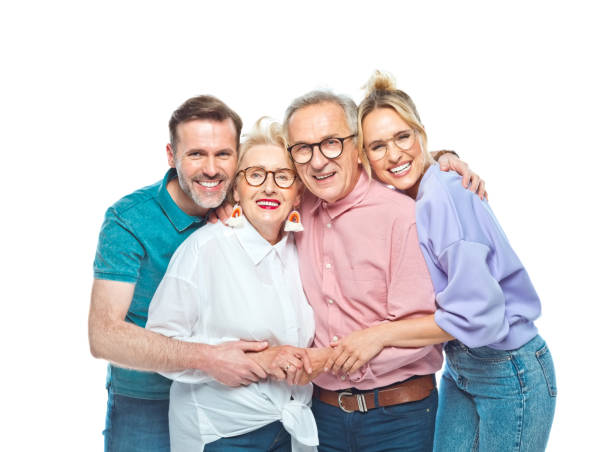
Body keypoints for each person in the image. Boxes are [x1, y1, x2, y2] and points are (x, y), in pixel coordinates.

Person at [358, 71, 556, 451]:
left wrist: (380, 335)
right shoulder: (413, 197)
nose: (395, 154)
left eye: (403, 137)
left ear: (420, 134)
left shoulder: (443, 194)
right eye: (378, 146)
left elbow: (478, 317)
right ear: (365, 157)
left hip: (508, 367)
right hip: (462, 366)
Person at [282, 91, 483, 451]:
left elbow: (429, 325)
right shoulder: (297, 208)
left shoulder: (402, 215)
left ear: (356, 146)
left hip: (400, 417)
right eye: (303, 148)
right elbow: (249, 176)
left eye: (331, 143)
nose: (317, 161)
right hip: (322, 416)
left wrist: (443, 158)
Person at [89, 95, 270, 452]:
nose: (211, 169)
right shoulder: (129, 220)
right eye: (196, 154)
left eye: (223, 154)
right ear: (172, 157)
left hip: (228, 399)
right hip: (148, 399)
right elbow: (103, 336)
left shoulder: (245, 204)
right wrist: (208, 359)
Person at [146, 119, 329, 452]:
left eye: (283, 176)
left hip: (290, 429)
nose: (270, 188)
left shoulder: (301, 250)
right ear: (235, 188)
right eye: (255, 174)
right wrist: (235, 359)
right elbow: (158, 344)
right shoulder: (204, 250)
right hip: (224, 433)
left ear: (298, 191)